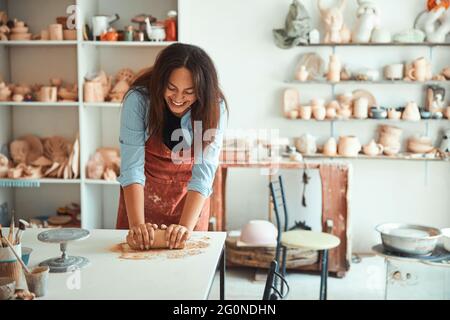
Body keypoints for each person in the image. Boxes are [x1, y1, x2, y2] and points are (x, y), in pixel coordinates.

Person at [116, 43, 228, 250]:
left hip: (189, 201)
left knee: (186, 273)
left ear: (202, 91)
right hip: (142, 201)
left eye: (189, 92)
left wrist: (184, 228)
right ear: (160, 82)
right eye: (171, 88)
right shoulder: (139, 100)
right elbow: (132, 168)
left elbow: (203, 173)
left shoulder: (214, 107)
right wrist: (138, 227)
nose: (177, 99)